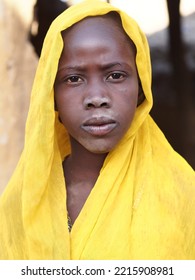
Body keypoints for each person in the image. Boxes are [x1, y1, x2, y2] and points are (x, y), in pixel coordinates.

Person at [0, 0, 195, 260]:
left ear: (141, 86)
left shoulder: (182, 195)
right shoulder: (23, 201)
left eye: (115, 75)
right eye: (73, 78)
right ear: (51, 95)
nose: (96, 97)